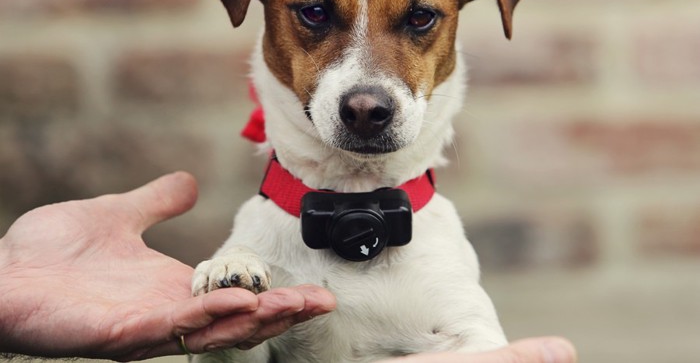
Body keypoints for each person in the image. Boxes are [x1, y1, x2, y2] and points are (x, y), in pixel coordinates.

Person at [0, 172, 576, 363]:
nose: (364, 92)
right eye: (317, 13)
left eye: (418, 19)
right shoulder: (252, 243)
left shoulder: (442, 243)